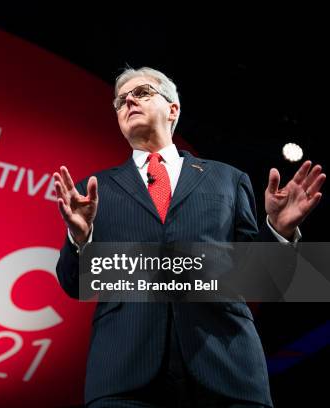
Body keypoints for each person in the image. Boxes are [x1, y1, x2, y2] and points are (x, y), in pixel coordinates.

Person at [54, 67, 325, 407]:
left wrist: (279, 232)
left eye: (141, 93)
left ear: (173, 109)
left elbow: (262, 281)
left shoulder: (228, 179)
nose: (128, 103)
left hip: (227, 366)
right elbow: (73, 285)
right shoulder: (93, 191)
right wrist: (81, 241)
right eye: (121, 101)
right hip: (124, 373)